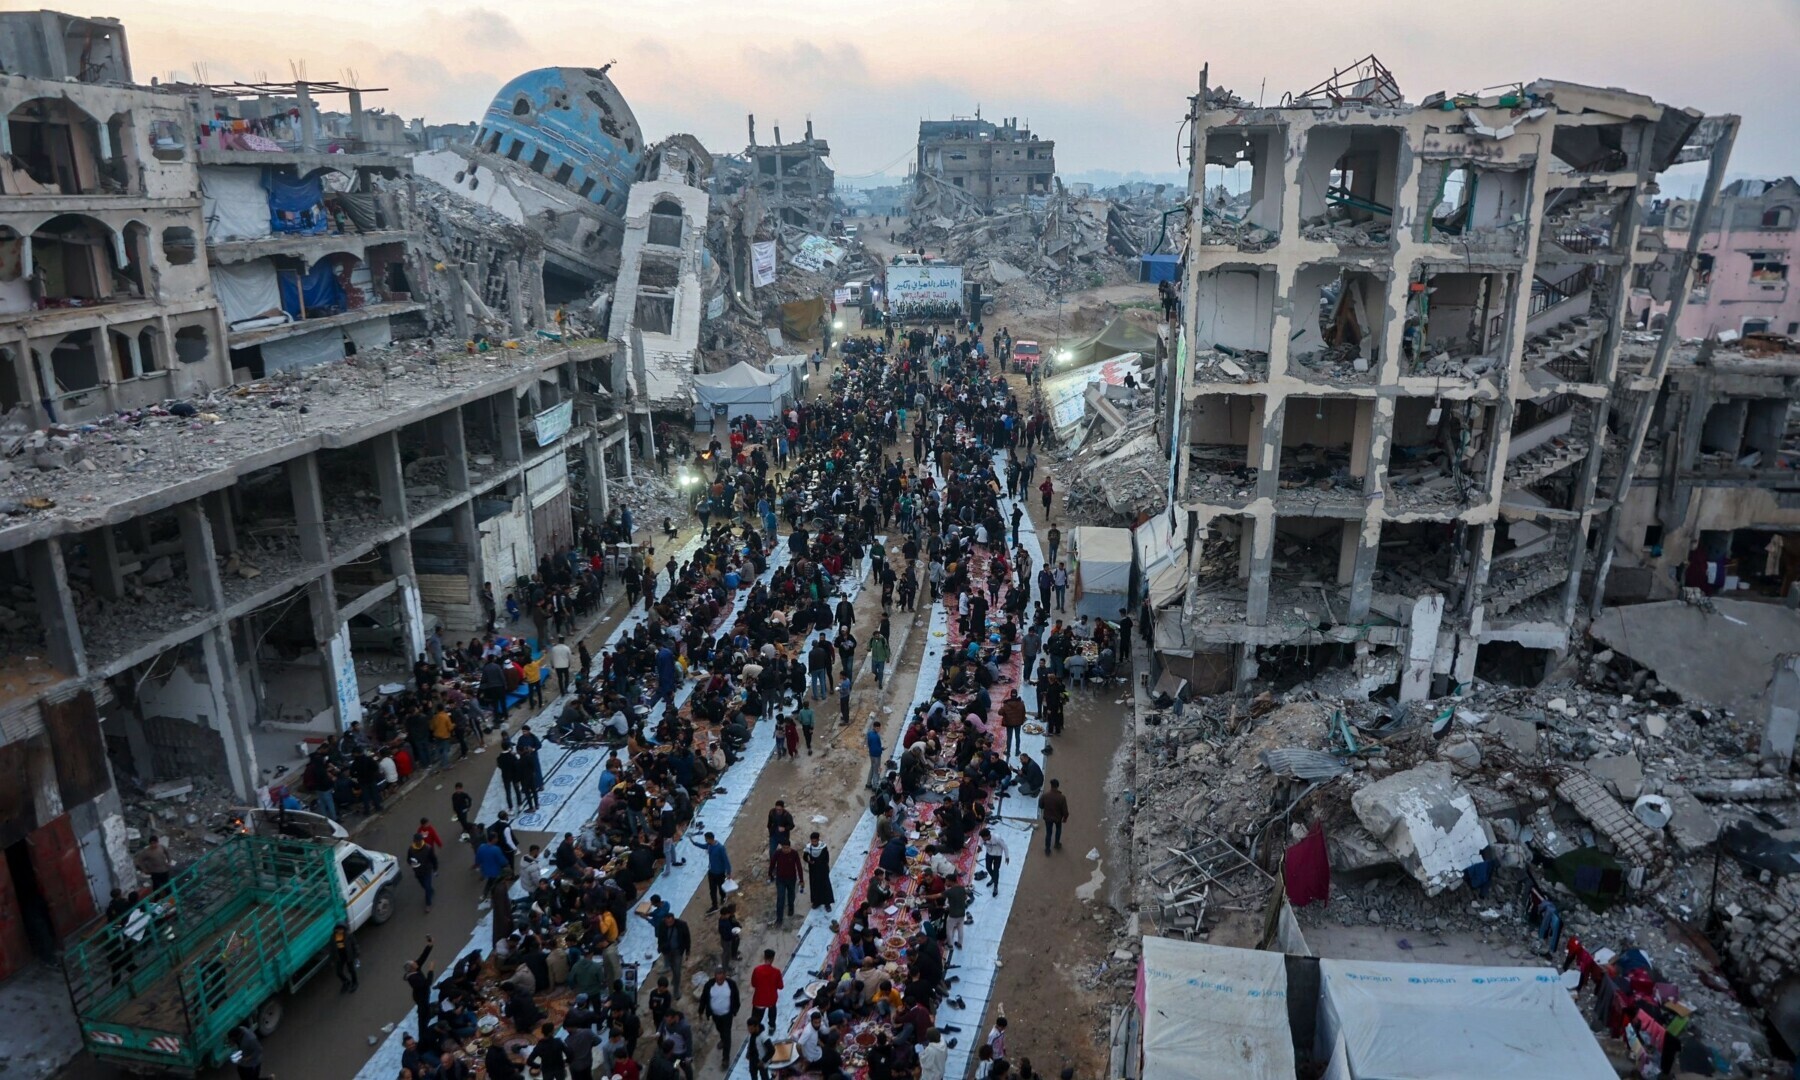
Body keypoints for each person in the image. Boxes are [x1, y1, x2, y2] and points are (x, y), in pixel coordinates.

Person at [702, 969, 741, 1069]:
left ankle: (725, 1059)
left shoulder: (731, 984)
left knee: (727, 1034)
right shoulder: (709, 985)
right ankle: (723, 1039)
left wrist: (735, 1010)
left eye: (721, 978)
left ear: (724, 976)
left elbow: (736, 997)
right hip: (715, 1015)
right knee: (720, 1030)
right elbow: (704, 998)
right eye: (717, 978)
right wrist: (701, 1010)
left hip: (727, 1015)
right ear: (715, 977)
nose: (719, 981)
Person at [404, 937, 435, 1036]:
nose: (417, 963)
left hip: (424, 993)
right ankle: (422, 1033)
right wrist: (430, 970)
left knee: (425, 1009)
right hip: (421, 997)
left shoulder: (415, 968)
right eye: (414, 964)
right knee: (423, 1015)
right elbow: (427, 983)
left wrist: (429, 946)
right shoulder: (413, 979)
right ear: (412, 969)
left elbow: (422, 957)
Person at [695, 830, 731, 913]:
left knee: (721, 886)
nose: (705, 841)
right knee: (712, 890)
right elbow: (703, 846)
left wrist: (728, 872)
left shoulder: (720, 848)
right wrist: (694, 843)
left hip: (719, 873)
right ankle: (714, 905)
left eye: (706, 839)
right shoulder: (709, 845)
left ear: (710, 839)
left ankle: (723, 897)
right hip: (711, 872)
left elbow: (726, 860)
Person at [750, 948, 783, 1030]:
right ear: (772, 959)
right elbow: (780, 986)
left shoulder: (757, 970)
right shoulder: (776, 972)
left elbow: (753, 984)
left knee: (756, 1019)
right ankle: (772, 1026)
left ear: (764, 957)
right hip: (771, 999)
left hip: (759, 999)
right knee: (772, 1010)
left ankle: (754, 1030)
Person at [771, 838, 801, 927]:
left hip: (791, 879)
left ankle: (791, 907)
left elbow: (799, 866)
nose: (785, 850)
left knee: (791, 895)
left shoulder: (794, 854)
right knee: (780, 898)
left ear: (790, 847)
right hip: (780, 880)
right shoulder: (778, 853)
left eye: (787, 848)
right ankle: (779, 919)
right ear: (781, 847)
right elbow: (772, 863)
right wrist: (770, 874)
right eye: (784, 848)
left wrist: (802, 879)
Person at [802, 831, 835, 911]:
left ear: (818, 840)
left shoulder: (823, 847)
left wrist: (824, 867)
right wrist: (809, 861)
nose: (813, 843)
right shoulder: (808, 848)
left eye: (815, 841)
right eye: (812, 841)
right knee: (815, 886)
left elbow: (826, 859)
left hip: (822, 870)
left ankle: (827, 903)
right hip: (813, 870)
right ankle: (816, 902)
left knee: (825, 886)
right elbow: (805, 857)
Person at [407, 832, 438, 913]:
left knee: (427, 887)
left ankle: (428, 904)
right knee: (423, 885)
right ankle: (430, 890)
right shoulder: (411, 849)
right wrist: (411, 862)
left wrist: (435, 869)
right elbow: (408, 859)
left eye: (419, 841)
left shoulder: (428, 848)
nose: (418, 842)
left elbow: (434, 859)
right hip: (418, 872)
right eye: (416, 841)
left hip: (427, 870)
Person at [1039, 779, 1069, 854]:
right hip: (1057, 818)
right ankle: (1057, 844)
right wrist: (1065, 818)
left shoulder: (1045, 795)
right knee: (1058, 830)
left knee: (1048, 833)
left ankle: (1047, 849)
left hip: (1048, 818)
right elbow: (1065, 811)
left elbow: (1041, 806)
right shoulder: (1062, 797)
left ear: (1051, 786)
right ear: (1057, 786)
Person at [333, 921, 359, 992]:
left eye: (341, 929)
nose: (340, 931)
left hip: (348, 956)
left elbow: (354, 944)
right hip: (340, 957)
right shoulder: (334, 937)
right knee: (338, 972)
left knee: (351, 970)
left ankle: (355, 982)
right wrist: (333, 959)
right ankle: (346, 982)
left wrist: (356, 955)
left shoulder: (348, 935)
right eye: (338, 929)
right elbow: (332, 947)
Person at [865, 721, 884, 790]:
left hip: (871, 754)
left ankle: (868, 783)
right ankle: (875, 786)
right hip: (876, 755)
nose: (879, 729)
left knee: (872, 768)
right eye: (878, 728)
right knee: (876, 770)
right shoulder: (876, 736)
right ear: (875, 727)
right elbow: (876, 748)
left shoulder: (869, 733)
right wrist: (881, 749)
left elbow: (869, 745)